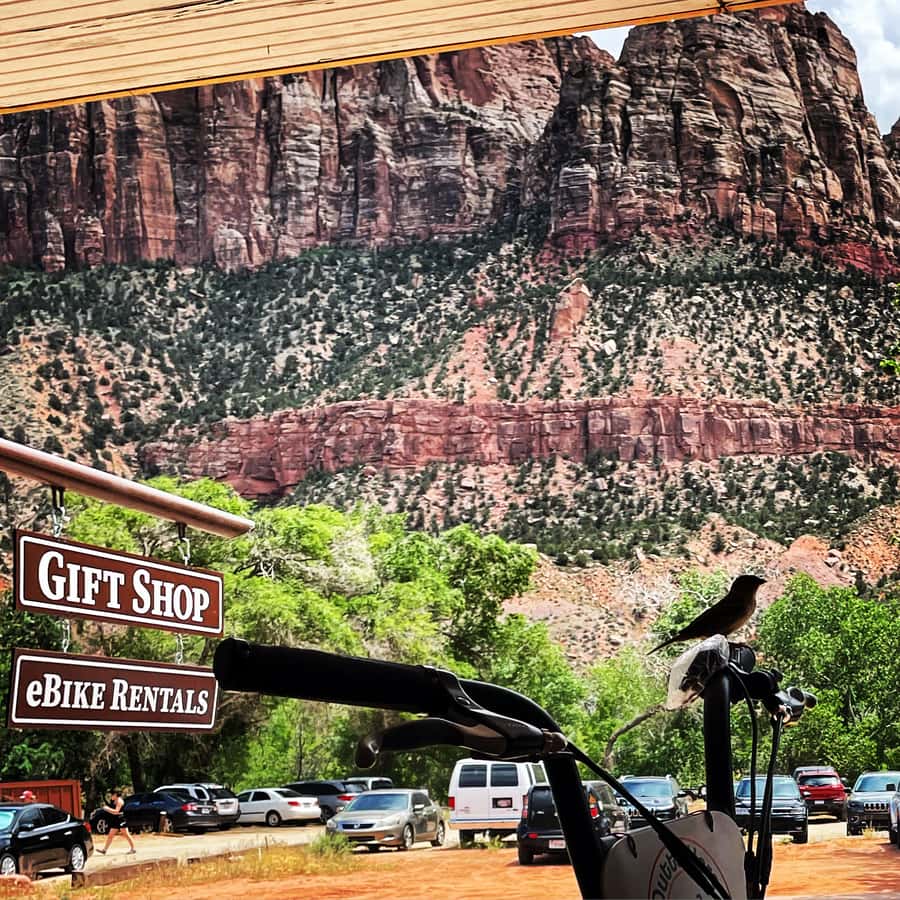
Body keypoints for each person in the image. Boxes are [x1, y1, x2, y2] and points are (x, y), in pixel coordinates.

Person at [96, 789, 135, 855]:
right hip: (116, 820)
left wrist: (107, 809)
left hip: (120, 819)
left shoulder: (119, 801)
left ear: (115, 795)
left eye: (112, 794)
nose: (111, 796)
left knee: (126, 834)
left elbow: (116, 812)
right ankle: (104, 850)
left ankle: (133, 849)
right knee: (110, 835)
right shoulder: (114, 800)